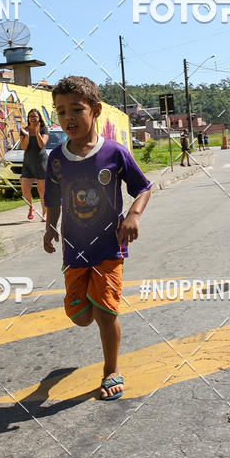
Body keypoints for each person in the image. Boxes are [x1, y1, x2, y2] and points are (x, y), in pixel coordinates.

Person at [43, 76, 151, 400]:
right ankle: (86, 305)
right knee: (80, 317)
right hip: (73, 250)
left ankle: (111, 370)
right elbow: (52, 199)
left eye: (76, 109)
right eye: (61, 112)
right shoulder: (56, 159)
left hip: (109, 247)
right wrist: (50, 227)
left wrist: (133, 215)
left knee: (105, 313)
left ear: (96, 110)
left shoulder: (115, 153)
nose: (68, 118)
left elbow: (143, 187)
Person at [19, 108, 49, 222]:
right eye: (31, 116)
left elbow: (42, 144)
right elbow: (24, 147)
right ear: (28, 118)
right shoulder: (24, 130)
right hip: (28, 163)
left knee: (42, 191)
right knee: (25, 190)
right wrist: (26, 135)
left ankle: (45, 213)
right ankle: (31, 208)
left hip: (41, 162)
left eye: (35, 116)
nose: (33, 118)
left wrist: (36, 132)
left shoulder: (43, 129)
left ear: (39, 118)